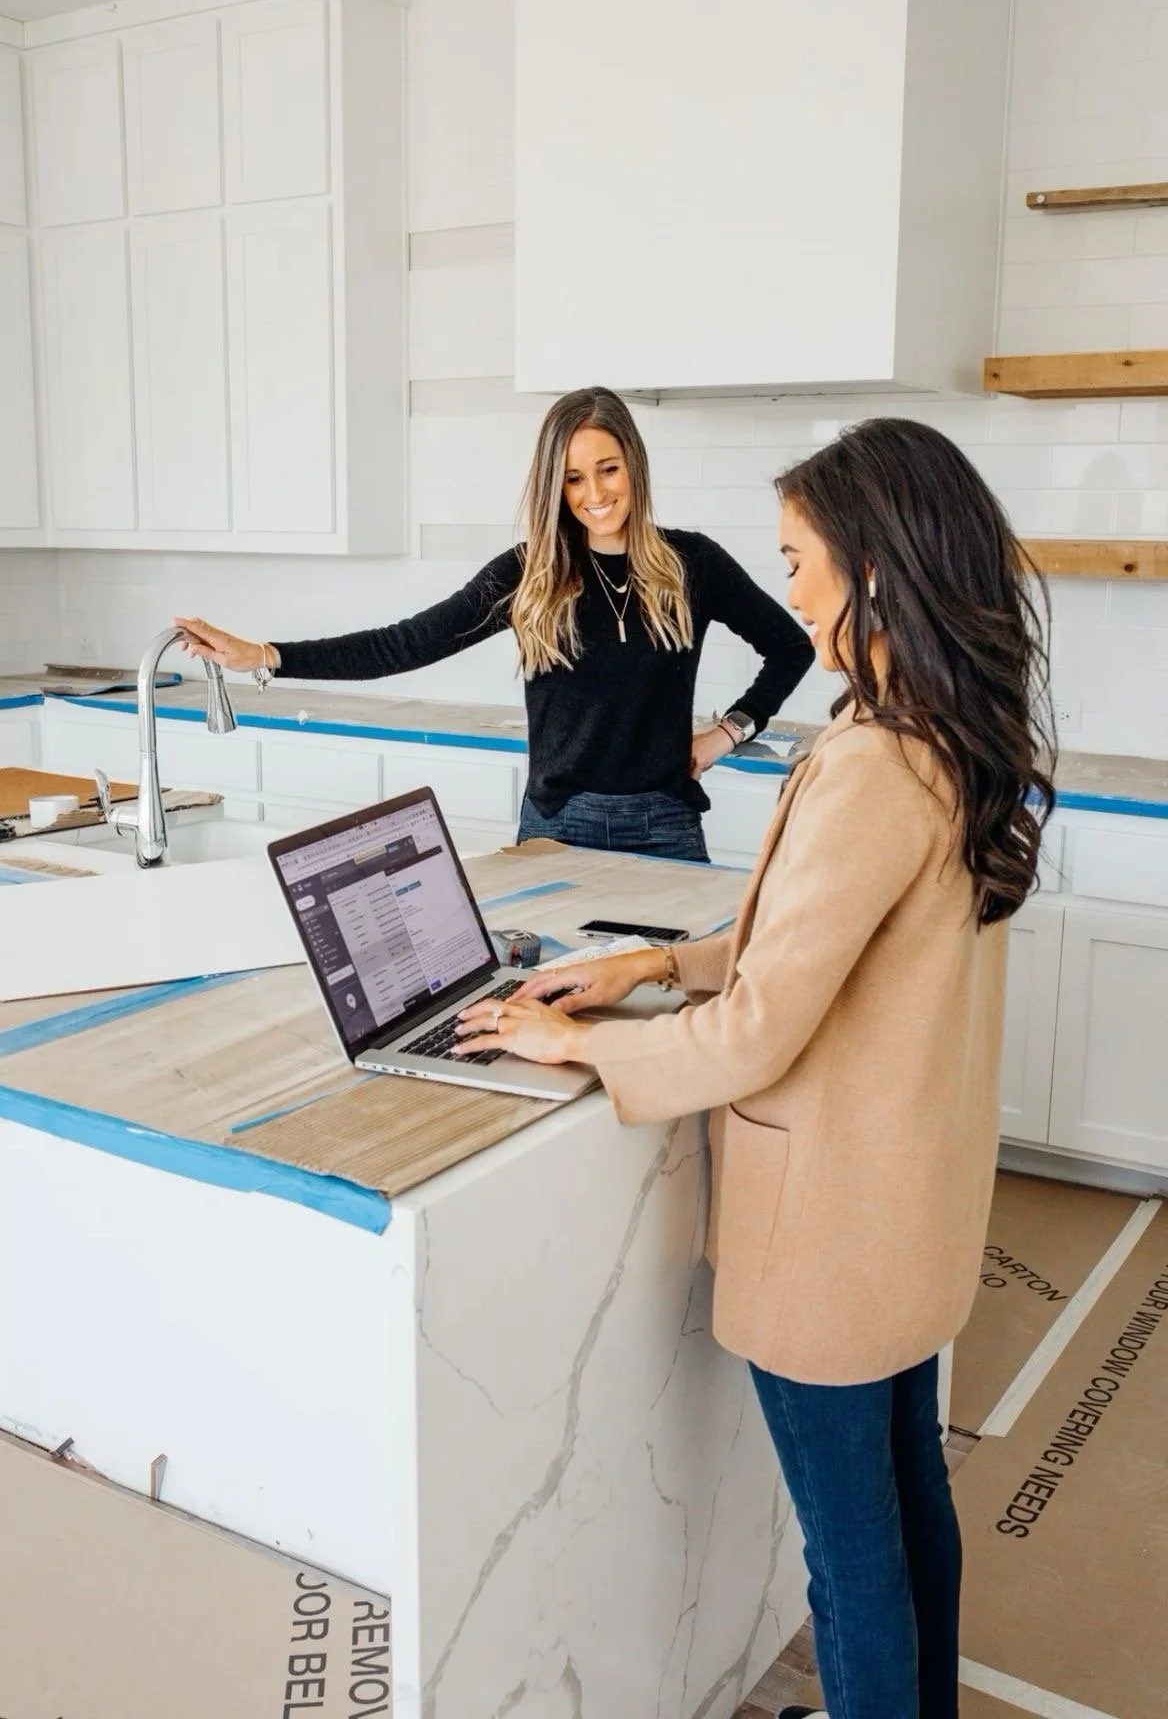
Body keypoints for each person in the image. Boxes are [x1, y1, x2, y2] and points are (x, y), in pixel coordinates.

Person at [452, 417, 1056, 1719]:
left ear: (872, 574)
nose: (787, 593)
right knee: (909, 1508)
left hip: (832, 1235)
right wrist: (650, 968)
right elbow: (828, 945)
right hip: (913, 1215)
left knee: (849, 1566)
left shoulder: (867, 764)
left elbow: (765, 1032)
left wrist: (576, 1043)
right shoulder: (956, 738)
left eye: (797, 563)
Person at [175, 386, 813, 863]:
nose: (594, 492)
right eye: (572, 478)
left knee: (678, 1006)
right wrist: (264, 654)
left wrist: (730, 732)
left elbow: (790, 647)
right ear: (553, 486)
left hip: (666, 822)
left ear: (634, 467)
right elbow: (405, 643)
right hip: (558, 827)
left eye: (608, 468)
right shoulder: (530, 572)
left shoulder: (690, 563)